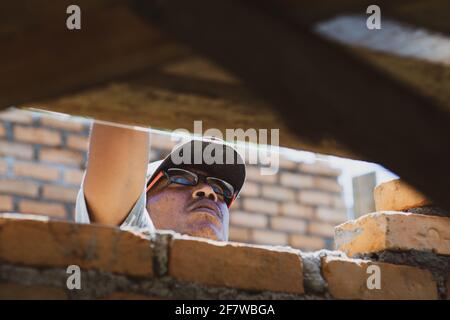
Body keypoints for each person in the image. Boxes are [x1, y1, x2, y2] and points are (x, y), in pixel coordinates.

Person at [75, 122, 246, 241]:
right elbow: (124, 125)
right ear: (141, 203)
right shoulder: (131, 242)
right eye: (181, 178)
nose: (208, 190)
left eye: (221, 188)